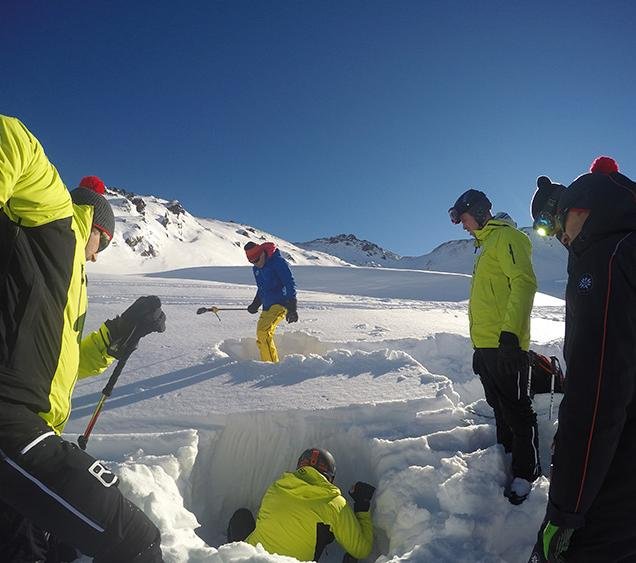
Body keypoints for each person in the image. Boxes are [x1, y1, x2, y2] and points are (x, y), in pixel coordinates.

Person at [0, 115, 166, 562]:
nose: (97, 257)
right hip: (11, 420)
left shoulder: (65, 278)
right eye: (103, 246)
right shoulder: (53, 219)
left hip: (32, 425)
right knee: (135, 540)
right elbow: (10, 135)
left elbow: (63, 361)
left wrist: (118, 333)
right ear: (98, 225)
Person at [528, 157, 636, 562]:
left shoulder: (606, 261)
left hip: (620, 471)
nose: (561, 239)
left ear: (576, 208)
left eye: (555, 228)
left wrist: (565, 511)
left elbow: (597, 400)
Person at [448, 189, 540, 505]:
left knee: (517, 410)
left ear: (479, 211)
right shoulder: (484, 246)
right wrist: (479, 348)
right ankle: (507, 455)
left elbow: (524, 284)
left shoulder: (507, 239)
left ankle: (527, 474)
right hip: (487, 347)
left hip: (507, 346)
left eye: (464, 218)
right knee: (499, 408)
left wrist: (511, 337)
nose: (463, 226)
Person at [227, 447, 375, 561]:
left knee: (242, 516)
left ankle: (225, 556)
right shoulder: (333, 503)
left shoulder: (276, 487)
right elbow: (361, 550)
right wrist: (362, 507)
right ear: (330, 477)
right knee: (325, 530)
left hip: (252, 559)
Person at [244, 241, 298, 362]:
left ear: (262, 253)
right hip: (267, 306)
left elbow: (290, 283)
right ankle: (267, 361)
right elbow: (262, 287)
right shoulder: (256, 269)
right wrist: (256, 303)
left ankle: (270, 365)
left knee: (264, 332)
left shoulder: (277, 262)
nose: (256, 264)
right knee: (261, 334)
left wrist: (292, 306)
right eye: (251, 262)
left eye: (257, 260)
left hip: (281, 303)